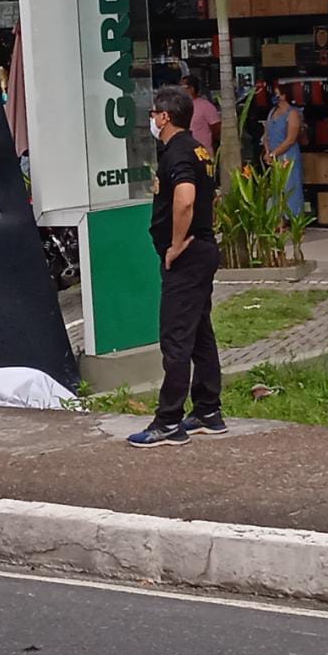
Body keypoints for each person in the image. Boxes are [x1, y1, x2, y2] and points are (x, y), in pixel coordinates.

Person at [128, 86, 223, 448]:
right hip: (203, 249)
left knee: (176, 339)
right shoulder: (199, 148)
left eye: (153, 114)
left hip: (187, 254)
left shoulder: (179, 152)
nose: (151, 119)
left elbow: (185, 199)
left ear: (165, 116)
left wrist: (177, 244)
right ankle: (207, 410)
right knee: (199, 332)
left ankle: (168, 420)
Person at [263, 81, 304, 217]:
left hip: (288, 156)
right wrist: (268, 152)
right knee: (276, 189)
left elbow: (291, 139)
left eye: (277, 94)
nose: (275, 97)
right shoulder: (272, 112)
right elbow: (266, 135)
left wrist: (274, 153)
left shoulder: (292, 114)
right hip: (274, 157)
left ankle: (294, 219)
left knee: (291, 187)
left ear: (284, 95)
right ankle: (279, 219)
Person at [181, 75, 221, 152]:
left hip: (203, 152)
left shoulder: (206, 106)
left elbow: (216, 128)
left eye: (183, 88)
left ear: (191, 89)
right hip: (185, 152)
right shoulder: (181, 106)